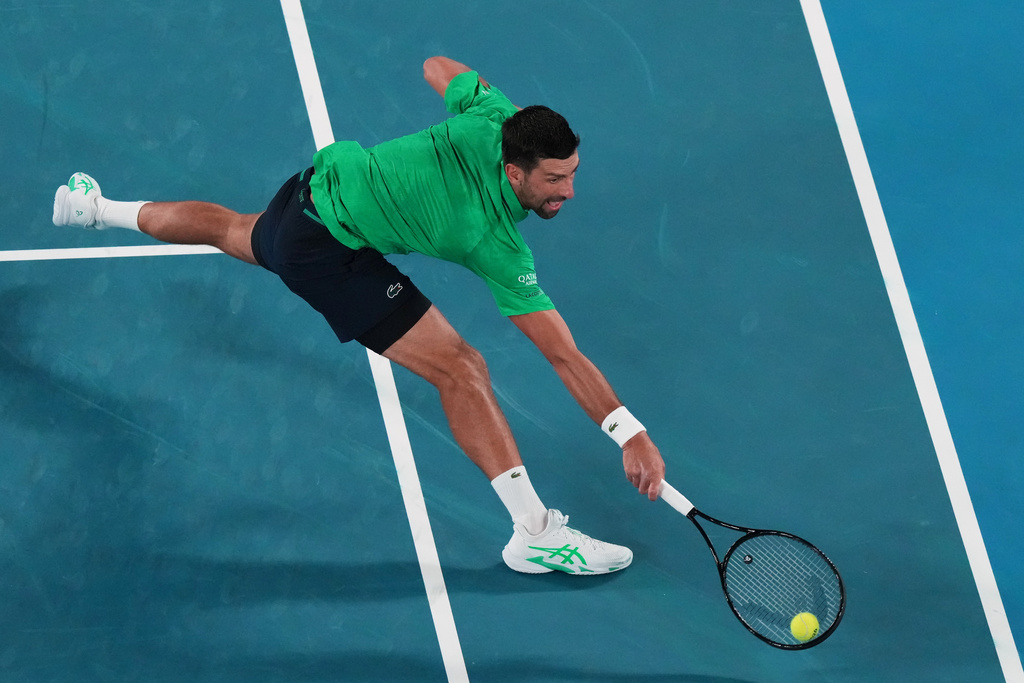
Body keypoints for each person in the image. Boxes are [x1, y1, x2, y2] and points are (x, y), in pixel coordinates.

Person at [52, 56, 666, 575]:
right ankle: (533, 534)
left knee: (233, 229)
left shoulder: (496, 119)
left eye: (573, 173)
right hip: (329, 252)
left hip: (308, 192)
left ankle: (94, 208)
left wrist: (484, 104)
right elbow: (561, 352)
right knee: (462, 369)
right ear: (514, 171)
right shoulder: (492, 240)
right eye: (556, 179)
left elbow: (436, 65)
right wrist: (630, 434)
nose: (569, 192)